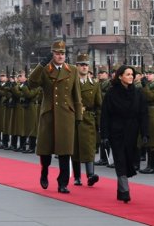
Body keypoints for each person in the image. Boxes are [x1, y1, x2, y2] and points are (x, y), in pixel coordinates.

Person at [28, 40, 83, 194]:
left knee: (65, 151)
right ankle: (44, 171)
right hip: (49, 114)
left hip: (66, 115)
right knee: (46, 151)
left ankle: (62, 182)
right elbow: (31, 84)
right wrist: (40, 66)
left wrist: (78, 115)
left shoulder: (72, 70)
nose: (60, 56)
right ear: (52, 54)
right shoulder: (45, 70)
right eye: (57, 53)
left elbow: (76, 95)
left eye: (63, 53)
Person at [100, 65, 148, 203]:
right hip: (117, 132)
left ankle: (120, 190)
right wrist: (104, 135)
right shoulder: (111, 93)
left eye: (132, 74)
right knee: (120, 160)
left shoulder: (138, 93)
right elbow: (105, 116)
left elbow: (143, 114)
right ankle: (125, 190)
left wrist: (145, 133)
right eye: (128, 74)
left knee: (128, 160)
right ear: (120, 76)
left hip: (132, 132)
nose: (131, 76)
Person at [72, 53, 102, 187]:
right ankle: (77, 177)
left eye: (86, 65)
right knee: (75, 148)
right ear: (77, 66)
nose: (84, 67)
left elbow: (99, 105)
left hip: (89, 119)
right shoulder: (72, 83)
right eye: (81, 65)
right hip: (75, 119)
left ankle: (90, 175)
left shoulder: (94, 85)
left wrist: (99, 124)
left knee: (89, 147)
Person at [136, 69, 154, 174]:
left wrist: (145, 86)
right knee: (146, 140)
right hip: (144, 112)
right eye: (147, 74)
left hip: (152, 112)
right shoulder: (144, 86)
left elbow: (150, 97)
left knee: (153, 141)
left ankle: (152, 167)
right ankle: (148, 165)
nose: (148, 76)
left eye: (150, 74)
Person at [95, 65, 111, 166]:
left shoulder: (109, 84)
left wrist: (99, 94)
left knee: (105, 135)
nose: (100, 75)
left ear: (106, 74)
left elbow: (107, 96)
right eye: (99, 73)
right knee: (100, 135)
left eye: (102, 73)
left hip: (105, 112)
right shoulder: (98, 84)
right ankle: (102, 157)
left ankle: (105, 157)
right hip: (98, 111)